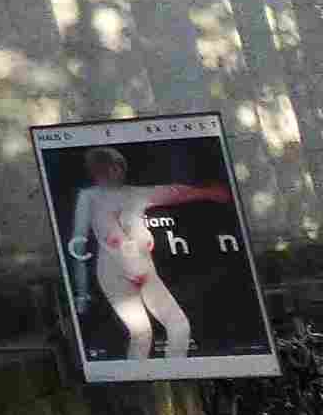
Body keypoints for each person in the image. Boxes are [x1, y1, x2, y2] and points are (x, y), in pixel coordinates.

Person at [68, 146, 222, 358]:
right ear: (97, 171)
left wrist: (207, 193)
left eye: (117, 167)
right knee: (142, 334)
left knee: (178, 326)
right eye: (106, 168)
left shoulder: (134, 193)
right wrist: (81, 292)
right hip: (114, 272)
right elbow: (79, 245)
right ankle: (141, 375)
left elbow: (172, 192)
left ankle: (174, 371)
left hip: (143, 269)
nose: (114, 172)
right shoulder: (89, 197)